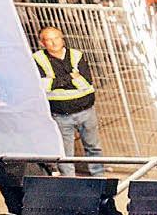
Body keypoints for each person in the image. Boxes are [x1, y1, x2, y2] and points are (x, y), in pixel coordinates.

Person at [33, 27, 104, 177]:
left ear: (62, 39)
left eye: (56, 38)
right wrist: (71, 77)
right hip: (60, 115)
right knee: (65, 154)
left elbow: (86, 83)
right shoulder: (37, 59)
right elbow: (42, 85)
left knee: (93, 147)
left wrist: (55, 82)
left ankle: (99, 177)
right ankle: (71, 182)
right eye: (49, 39)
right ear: (42, 43)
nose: (54, 42)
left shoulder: (76, 55)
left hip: (86, 111)